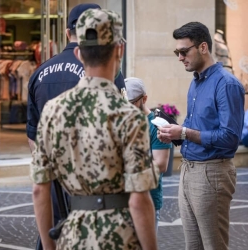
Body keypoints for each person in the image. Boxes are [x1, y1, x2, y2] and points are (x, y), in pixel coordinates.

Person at [31, 8, 158, 250]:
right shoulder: (129, 116)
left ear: (78, 53)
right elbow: (140, 200)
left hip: (73, 235)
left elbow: (39, 190)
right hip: (121, 237)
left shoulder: (53, 111)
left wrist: (49, 247)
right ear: (119, 50)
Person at [27, 2, 126, 227]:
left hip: (54, 182)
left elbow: (33, 136)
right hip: (97, 190)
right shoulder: (107, 70)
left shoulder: (40, 73)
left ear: (67, 32)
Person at [157, 21, 245, 250]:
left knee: (213, 245)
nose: (180, 57)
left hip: (212, 172)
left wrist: (184, 132)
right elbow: (193, 127)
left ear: (203, 47)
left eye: (184, 51)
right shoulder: (195, 83)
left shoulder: (226, 84)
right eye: (177, 52)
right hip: (189, 170)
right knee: (193, 246)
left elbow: (230, 138)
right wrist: (174, 134)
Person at [125, 77, 172, 231]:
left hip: (148, 200)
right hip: (122, 201)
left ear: (144, 99)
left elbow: (161, 164)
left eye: (131, 103)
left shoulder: (158, 125)